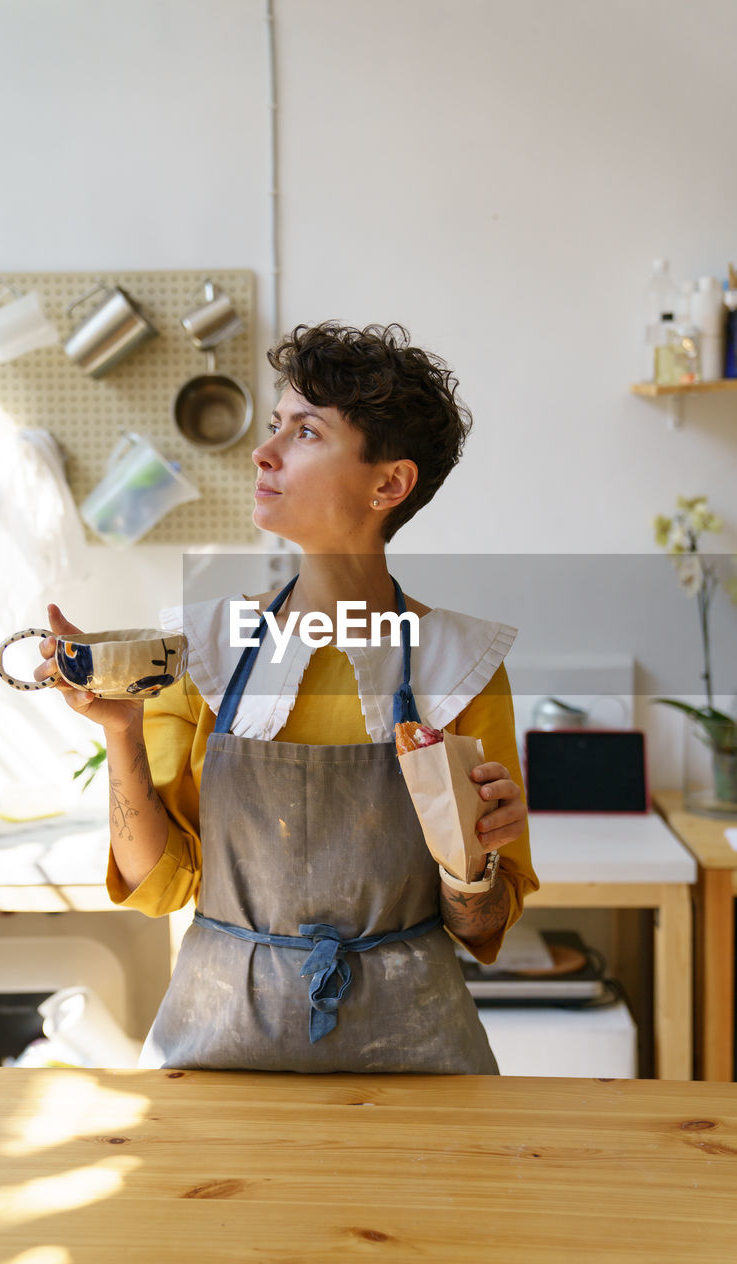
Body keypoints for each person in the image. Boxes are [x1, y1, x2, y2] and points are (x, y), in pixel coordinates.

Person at [37, 322, 537, 1073]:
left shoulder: (460, 665)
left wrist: (475, 861)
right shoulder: (202, 649)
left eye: (305, 432)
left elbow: (482, 927)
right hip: (217, 1046)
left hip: (416, 1054)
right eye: (275, 426)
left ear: (388, 484)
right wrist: (120, 731)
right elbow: (160, 885)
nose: (263, 453)